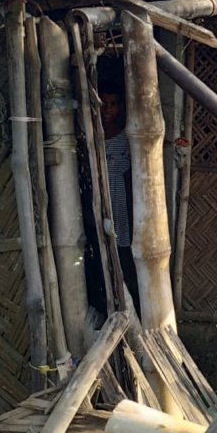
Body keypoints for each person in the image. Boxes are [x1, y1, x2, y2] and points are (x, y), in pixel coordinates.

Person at [99, 79, 140, 316]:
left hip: (119, 201)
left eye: (113, 104)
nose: (107, 109)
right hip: (97, 202)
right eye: (103, 104)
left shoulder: (125, 138)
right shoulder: (91, 135)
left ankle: (128, 303)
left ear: (120, 107)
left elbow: (128, 176)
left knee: (122, 251)